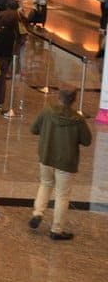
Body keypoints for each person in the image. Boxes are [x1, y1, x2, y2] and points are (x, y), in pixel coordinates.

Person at [28, 87, 92, 240]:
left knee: (45, 184)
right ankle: (56, 229)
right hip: (66, 161)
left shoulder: (47, 111)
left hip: (46, 156)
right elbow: (87, 141)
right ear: (74, 100)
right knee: (62, 195)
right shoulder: (78, 119)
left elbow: (33, 129)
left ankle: (38, 213)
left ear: (58, 96)